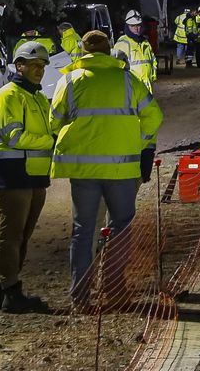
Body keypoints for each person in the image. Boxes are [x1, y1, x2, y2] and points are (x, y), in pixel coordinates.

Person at [49, 30, 163, 306]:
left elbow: (54, 122)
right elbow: (154, 116)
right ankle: (114, 289)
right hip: (122, 170)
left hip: (84, 172)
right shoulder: (127, 80)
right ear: (108, 49)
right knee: (120, 228)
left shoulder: (69, 81)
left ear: (84, 51)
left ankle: (80, 296)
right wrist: (138, 142)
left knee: (83, 230)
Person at [0, 41, 56, 314]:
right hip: (14, 175)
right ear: (20, 66)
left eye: (43, 66)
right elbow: (13, 137)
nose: (40, 70)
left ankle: (7, 291)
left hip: (35, 176)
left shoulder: (37, 96)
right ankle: (10, 289)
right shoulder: (9, 96)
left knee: (22, 235)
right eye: (35, 65)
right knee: (12, 234)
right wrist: (50, 140)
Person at [113, 10, 157, 88]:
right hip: (131, 88)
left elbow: (153, 61)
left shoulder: (145, 42)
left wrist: (153, 76)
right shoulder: (122, 44)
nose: (136, 28)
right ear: (127, 26)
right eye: (132, 26)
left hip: (147, 86)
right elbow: (116, 68)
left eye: (138, 25)